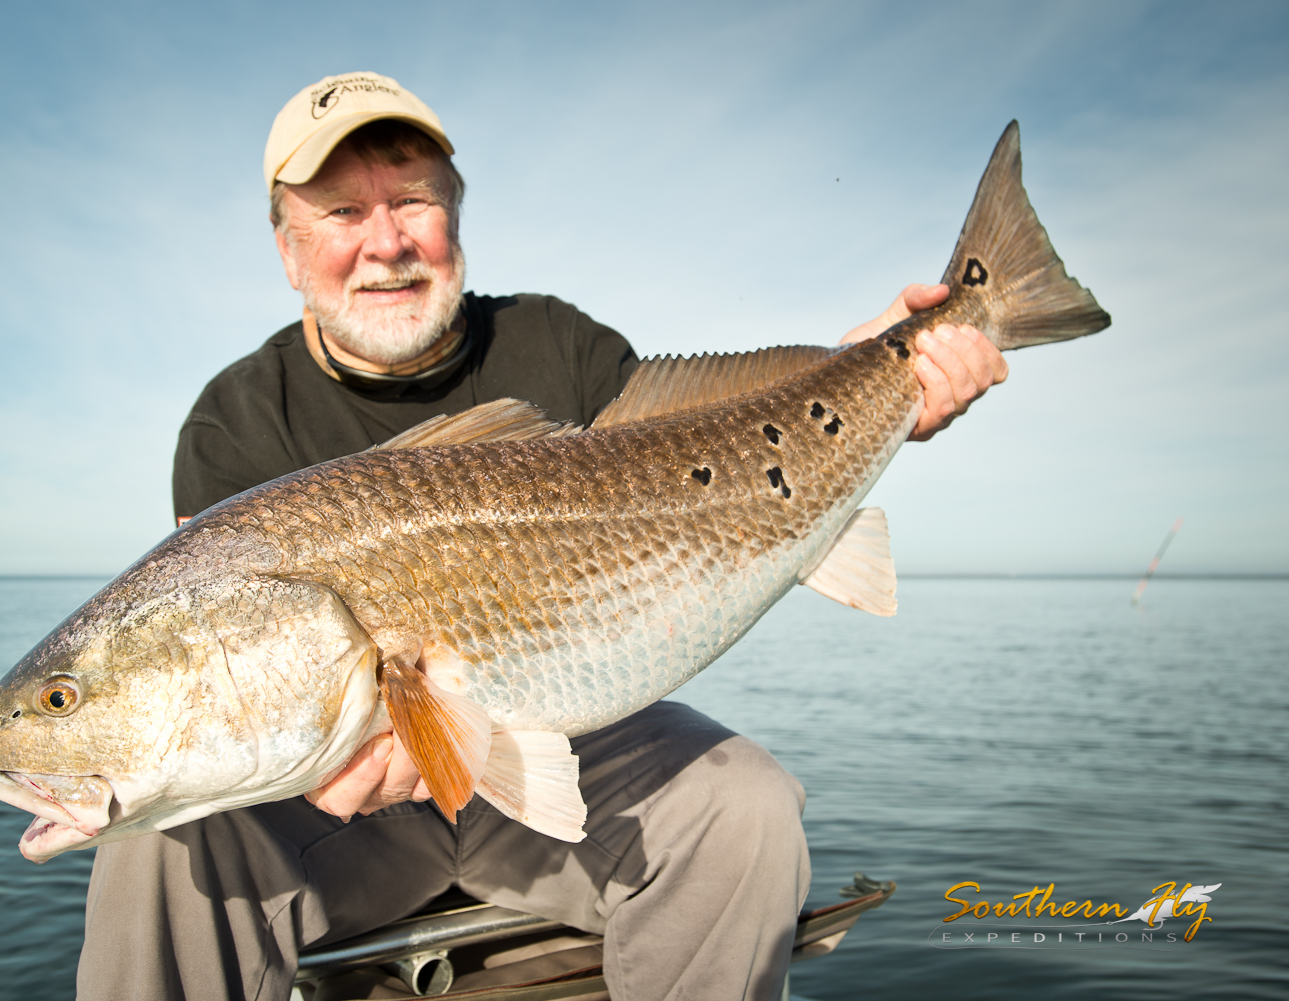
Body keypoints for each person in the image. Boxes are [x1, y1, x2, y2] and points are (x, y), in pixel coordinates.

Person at [77, 72, 1007, 1001]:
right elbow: (212, 663)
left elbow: (716, 437)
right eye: (340, 212)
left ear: (455, 216)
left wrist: (875, 367)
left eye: (412, 201)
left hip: (578, 741)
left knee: (748, 805)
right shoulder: (233, 420)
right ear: (288, 249)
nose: (387, 241)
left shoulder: (555, 342)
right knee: (157, 846)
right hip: (336, 812)